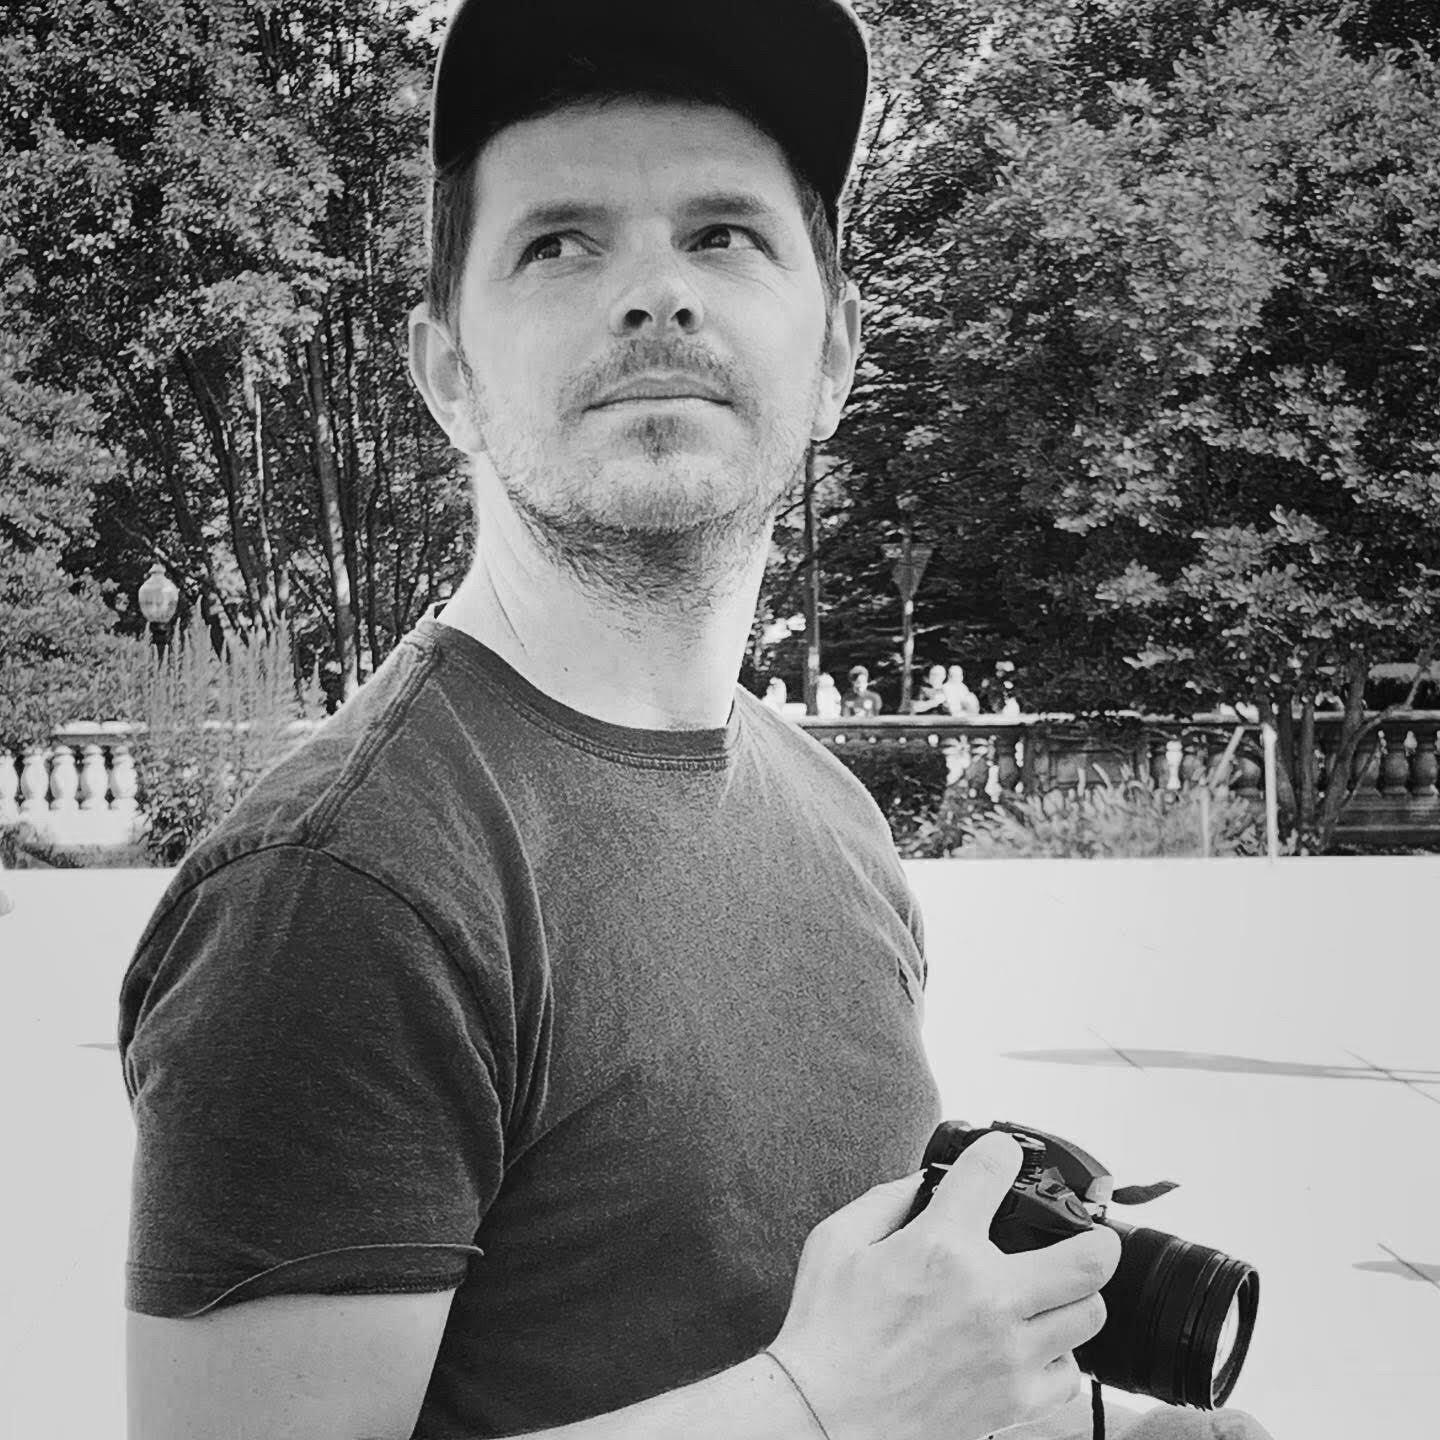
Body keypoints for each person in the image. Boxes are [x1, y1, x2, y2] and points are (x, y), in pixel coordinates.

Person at [120, 4, 1272, 1439]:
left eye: (725, 234)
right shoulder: (344, 889)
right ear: (446, 375)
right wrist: (824, 1407)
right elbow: (843, 1387)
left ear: (838, 350)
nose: (657, 294)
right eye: (560, 243)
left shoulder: (827, 810)